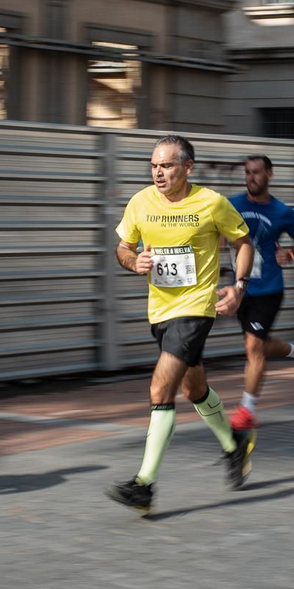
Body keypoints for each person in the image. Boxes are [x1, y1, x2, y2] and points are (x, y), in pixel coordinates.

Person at [106, 135, 254, 512]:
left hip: (196, 307)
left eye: (167, 165)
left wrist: (238, 287)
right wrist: (132, 260)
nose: (158, 172)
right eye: (154, 165)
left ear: (187, 167)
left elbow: (244, 242)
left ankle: (145, 484)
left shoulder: (212, 203)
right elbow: (123, 247)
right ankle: (234, 445)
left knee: (161, 387)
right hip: (160, 310)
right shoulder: (140, 202)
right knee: (194, 387)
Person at [226, 154, 294, 438]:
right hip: (241, 289)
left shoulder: (282, 211)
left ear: (269, 175)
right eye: (247, 173)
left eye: (256, 172)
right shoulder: (232, 205)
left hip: (269, 289)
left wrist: (290, 253)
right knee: (259, 348)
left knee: (253, 349)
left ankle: (246, 410)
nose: (251, 177)